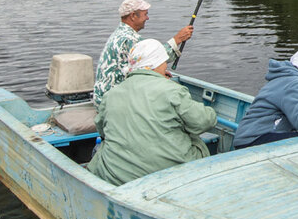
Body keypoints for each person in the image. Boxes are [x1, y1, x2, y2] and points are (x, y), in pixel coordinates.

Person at [87, 39, 217, 186]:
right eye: (164, 62)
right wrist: (171, 86)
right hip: (169, 174)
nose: (165, 66)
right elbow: (205, 121)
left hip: (118, 177)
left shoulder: (111, 95)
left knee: (100, 148)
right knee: (194, 139)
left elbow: (102, 130)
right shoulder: (172, 91)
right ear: (156, 63)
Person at [93, 0, 193, 107]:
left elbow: (136, 64)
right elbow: (155, 58)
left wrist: (157, 71)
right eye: (145, 14)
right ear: (133, 16)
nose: (148, 18)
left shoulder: (119, 33)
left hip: (103, 97)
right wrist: (177, 39)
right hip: (112, 103)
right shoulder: (129, 38)